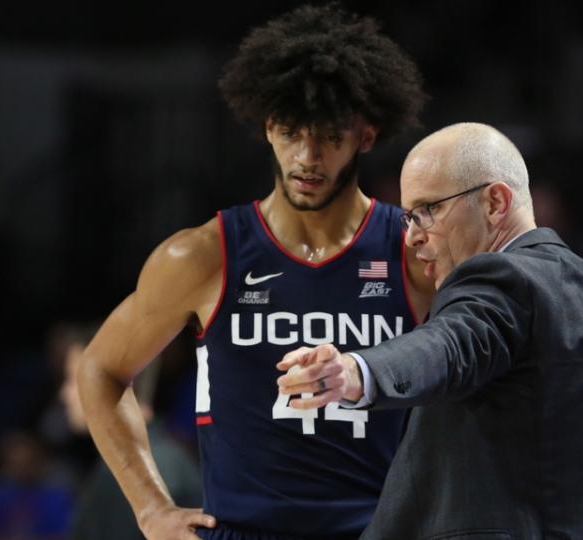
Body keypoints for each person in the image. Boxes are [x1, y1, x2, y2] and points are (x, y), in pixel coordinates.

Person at [77, 4, 432, 539]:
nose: (307, 157)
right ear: (268, 127)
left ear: (366, 135)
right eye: (292, 131)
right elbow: (100, 371)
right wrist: (150, 507)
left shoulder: (414, 252)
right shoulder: (202, 256)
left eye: (329, 136)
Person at [277, 122, 583, 539]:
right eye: (407, 217)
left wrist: (357, 370)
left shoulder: (505, 278)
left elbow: (450, 345)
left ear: (495, 202)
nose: (410, 237)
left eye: (427, 210)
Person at [60, 329, 201, 539]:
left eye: (74, 379)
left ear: (112, 382)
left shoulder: (134, 472)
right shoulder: (167, 458)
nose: (64, 393)